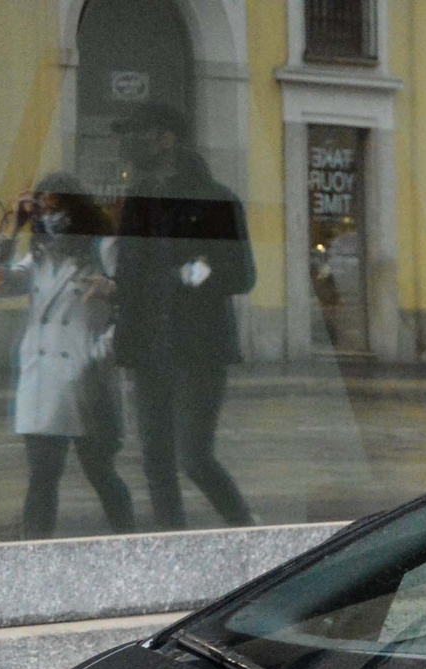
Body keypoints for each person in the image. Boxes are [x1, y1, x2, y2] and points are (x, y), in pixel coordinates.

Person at [110, 102, 255, 528]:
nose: (127, 144)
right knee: (156, 465)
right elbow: (132, 274)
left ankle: (245, 527)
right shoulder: (138, 202)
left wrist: (189, 274)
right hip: (147, 346)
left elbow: (241, 273)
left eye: (138, 133)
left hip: (199, 347)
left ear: (166, 138)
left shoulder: (216, 200)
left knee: (193, 456)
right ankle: (171, 550)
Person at [0, 174, 135, 540]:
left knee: (100, 472)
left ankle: (131, 541)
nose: (50, 218)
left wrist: (99, 351)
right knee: (41, 479)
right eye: (43, 209)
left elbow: (134, 305)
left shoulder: (103, 249)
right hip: (42, 382)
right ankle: (34, 556)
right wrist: (11, 231)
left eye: (57, 208)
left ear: (75, 210)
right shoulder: (37, 257)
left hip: (87, 380)